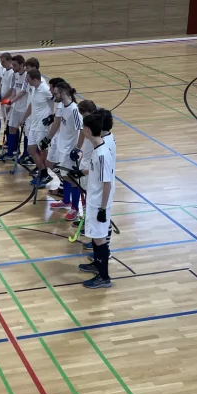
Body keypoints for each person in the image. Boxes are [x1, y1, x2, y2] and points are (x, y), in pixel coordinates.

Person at [78, 109, 116, 289]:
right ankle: (97, 266)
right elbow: (97, 172)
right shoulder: (98, 148)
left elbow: (107, 184)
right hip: (94, 200)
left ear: (87, 130)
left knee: (100, 239)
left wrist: (102, 209)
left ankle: (104, 277)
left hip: (99, 203)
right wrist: (82, 172)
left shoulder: (102, 154)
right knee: (95, 237)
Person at [47, 81, 83, 220]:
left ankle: (75, 209)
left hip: (69, 150)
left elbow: (82, 130)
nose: (54, 96)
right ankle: (66, 200)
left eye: (56, 93)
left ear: (63, 93)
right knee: (65, 176)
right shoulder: (63, 106)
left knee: (71, 179)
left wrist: (77, 149)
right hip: (62, 147)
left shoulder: (74, 110)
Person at [25, 69, 54, 188]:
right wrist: (24, 118)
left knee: (42, 151)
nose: (27, 81)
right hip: (34, 124)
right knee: (31, 149)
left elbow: (58, 100)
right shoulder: (34, 89)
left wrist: (53, 116)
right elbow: (32, 105)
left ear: (35, 79)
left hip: (42, 127)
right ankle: (42, 171)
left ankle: (44, 174)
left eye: (28, 79)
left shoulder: (46, 90)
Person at [0, 54, 27, 162]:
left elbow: (23, 92)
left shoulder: (27, 76)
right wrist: (11, 103)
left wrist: (11, 101)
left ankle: (26, 154)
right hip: (15, 107)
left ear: (21, 65)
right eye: (12, 65)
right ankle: (11, 152)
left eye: (15, 65)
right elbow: (14, 90)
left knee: (26, 132)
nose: (13, 67)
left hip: (24, 108)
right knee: (11, 128)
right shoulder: (15, 75)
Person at [0, 53, 13, 150]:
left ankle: (11, 142)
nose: (2, 64)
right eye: (1, 62)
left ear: (9, 61)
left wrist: (3, 99)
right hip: (3, 101)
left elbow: (11, 90)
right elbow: (1, 84)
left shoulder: (12, 73)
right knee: (5, 121)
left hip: (8, 101)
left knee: (10, 122)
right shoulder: (4, 70)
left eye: (3, 62)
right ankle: (7, 141)